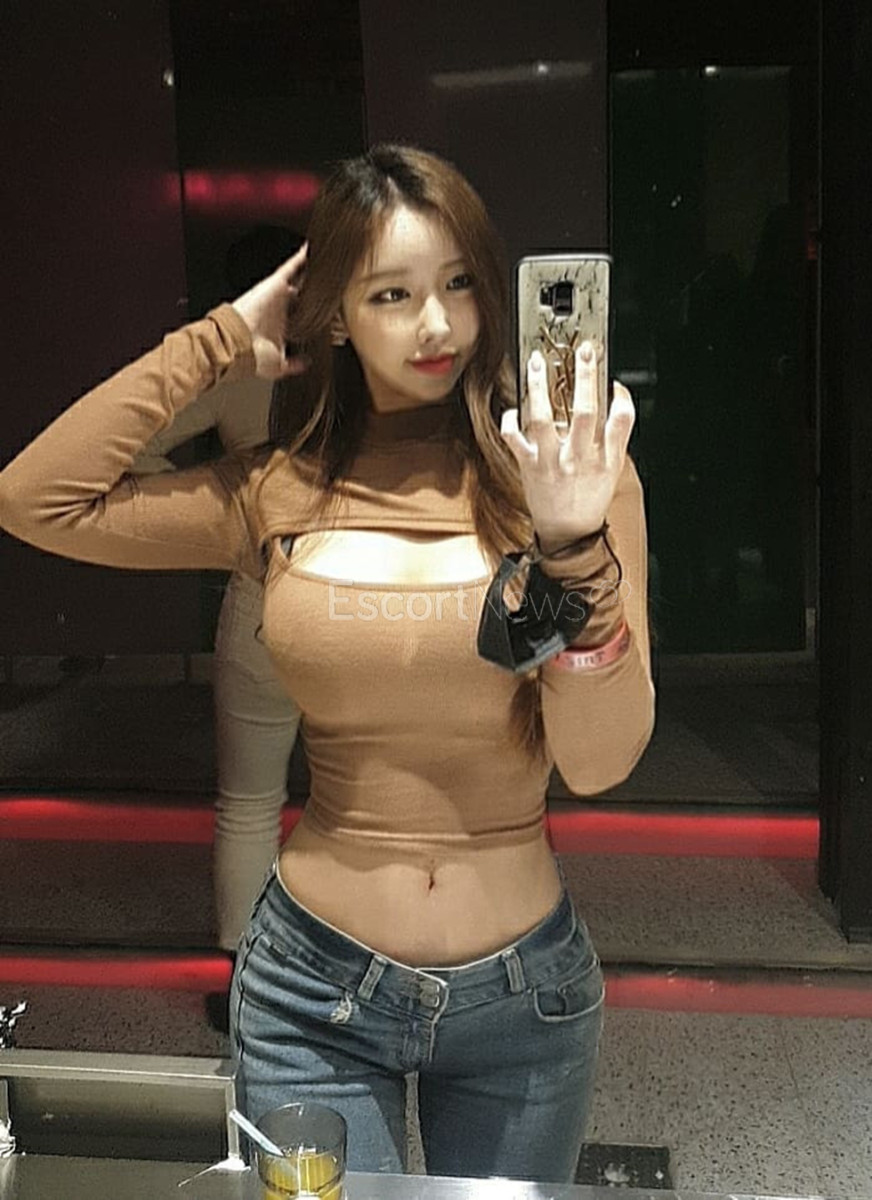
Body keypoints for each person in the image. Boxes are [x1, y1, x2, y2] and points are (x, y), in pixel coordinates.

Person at [0, 145, 655, 1182]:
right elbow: (35, 499)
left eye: (458, 284)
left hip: (523, 1000)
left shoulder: (571, 480)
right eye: (391, 294)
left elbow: (601, 761)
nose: (436, 325)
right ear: (336, 315)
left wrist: (573, 544)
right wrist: (222, 336)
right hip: (312, 990)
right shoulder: (277, 490)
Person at [131, 227, 304, 962]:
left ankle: (243, 975)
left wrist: (220, 510)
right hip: (359, 600)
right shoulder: (369, 366)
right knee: (368, 798)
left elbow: (134, 446)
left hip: (263, 592)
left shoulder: (236, 374)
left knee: (249, 803)